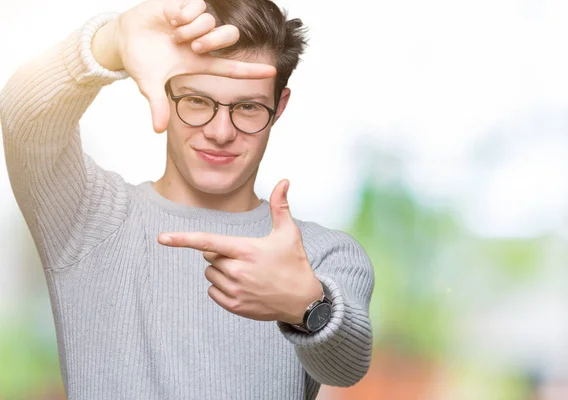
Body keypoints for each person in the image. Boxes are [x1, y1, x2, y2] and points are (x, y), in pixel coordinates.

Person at [0, 0, 375, 398]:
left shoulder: (319, 254)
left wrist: (307, 307)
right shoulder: (87, 217)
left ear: (278, 107)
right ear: (165, 89)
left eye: (247, 107)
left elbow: (347, 367)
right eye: (197, 100)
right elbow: (24, 119)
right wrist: (110, 41)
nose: (219, 131)